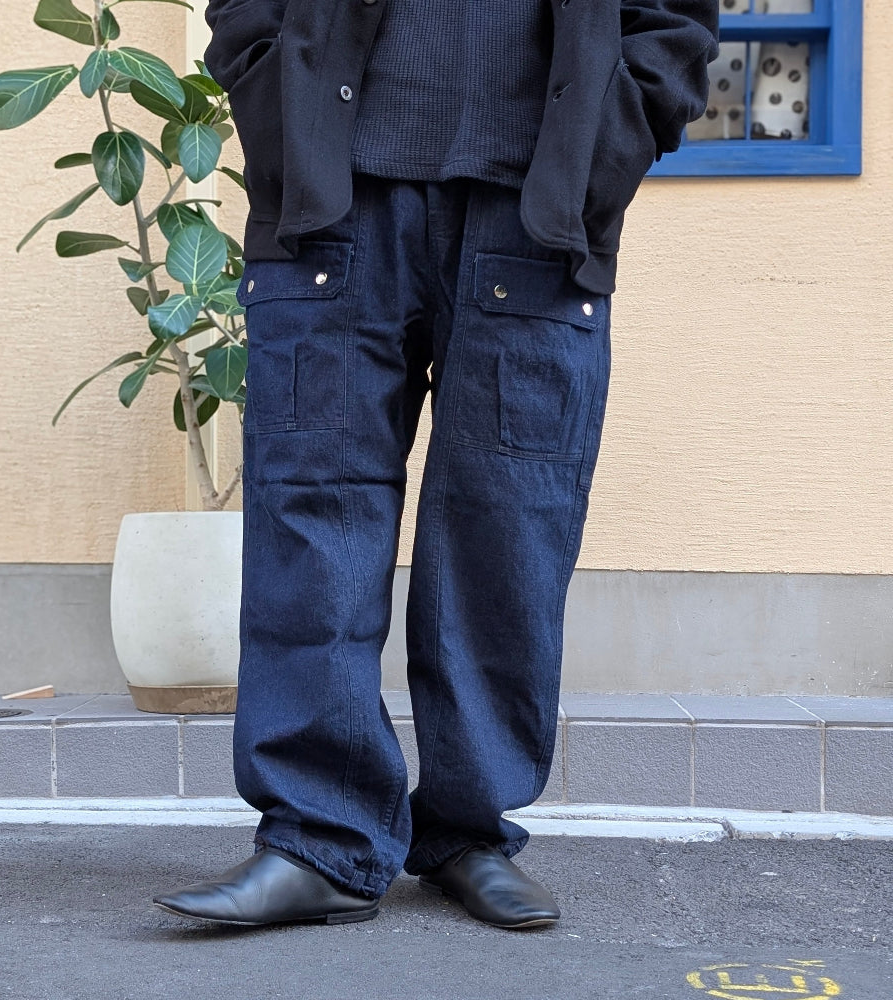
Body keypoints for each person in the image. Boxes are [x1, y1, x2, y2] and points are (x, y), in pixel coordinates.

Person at [155, 0, 719, 930]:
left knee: (509, 529)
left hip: (536, 214)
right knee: (312, 519)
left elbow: (673, 20)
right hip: (333, 204)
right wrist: (274, 98)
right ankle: (319, 839)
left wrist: (613, 135)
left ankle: (468, 828)